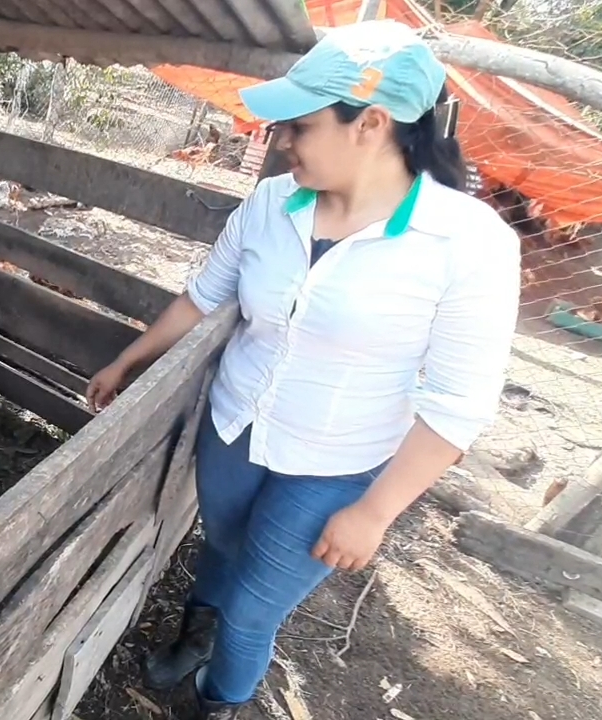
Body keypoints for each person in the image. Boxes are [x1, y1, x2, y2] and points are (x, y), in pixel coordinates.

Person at [84, 19, 521, 720]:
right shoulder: (268, 205)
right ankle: (197, 633)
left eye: (300, 125)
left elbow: (459, 403)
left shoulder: (468, 244)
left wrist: (375, 513)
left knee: (256, 612)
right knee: (223, 544)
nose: (280, 141)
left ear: (372, 124)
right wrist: (128, 358)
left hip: (336, 462)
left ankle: (219, 703)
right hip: (235, 425)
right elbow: (206, 294)